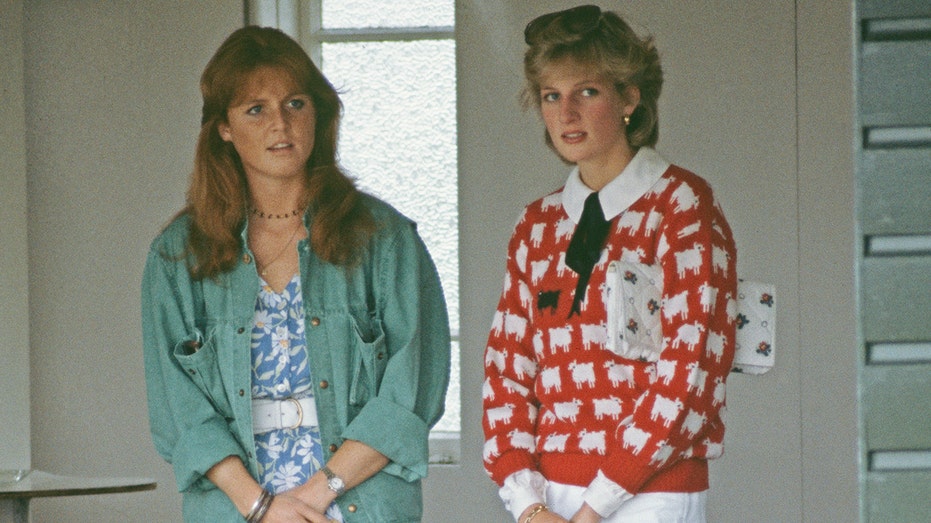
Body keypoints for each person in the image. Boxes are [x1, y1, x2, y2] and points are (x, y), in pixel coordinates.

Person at [141, 26, 450, 522]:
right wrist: (261, 507)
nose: (280, 124)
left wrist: (316, 494)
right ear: (223, 126)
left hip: (359, 504)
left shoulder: (385, 239)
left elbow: (412, 390)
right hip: (235, 509)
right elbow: (179, 409)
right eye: (255, 109)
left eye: (296, 104)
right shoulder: (178, 257)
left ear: (318, 113)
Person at [482, 5, 738, 523]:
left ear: (629, 96)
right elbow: (507, 370)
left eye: (587, 92)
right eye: (552, 96)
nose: (567, 113)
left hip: (651, 492)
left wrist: (596, 507)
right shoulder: (537, 224)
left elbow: (689, 375)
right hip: (545, 498)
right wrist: (528, 506)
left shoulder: (682, 205)